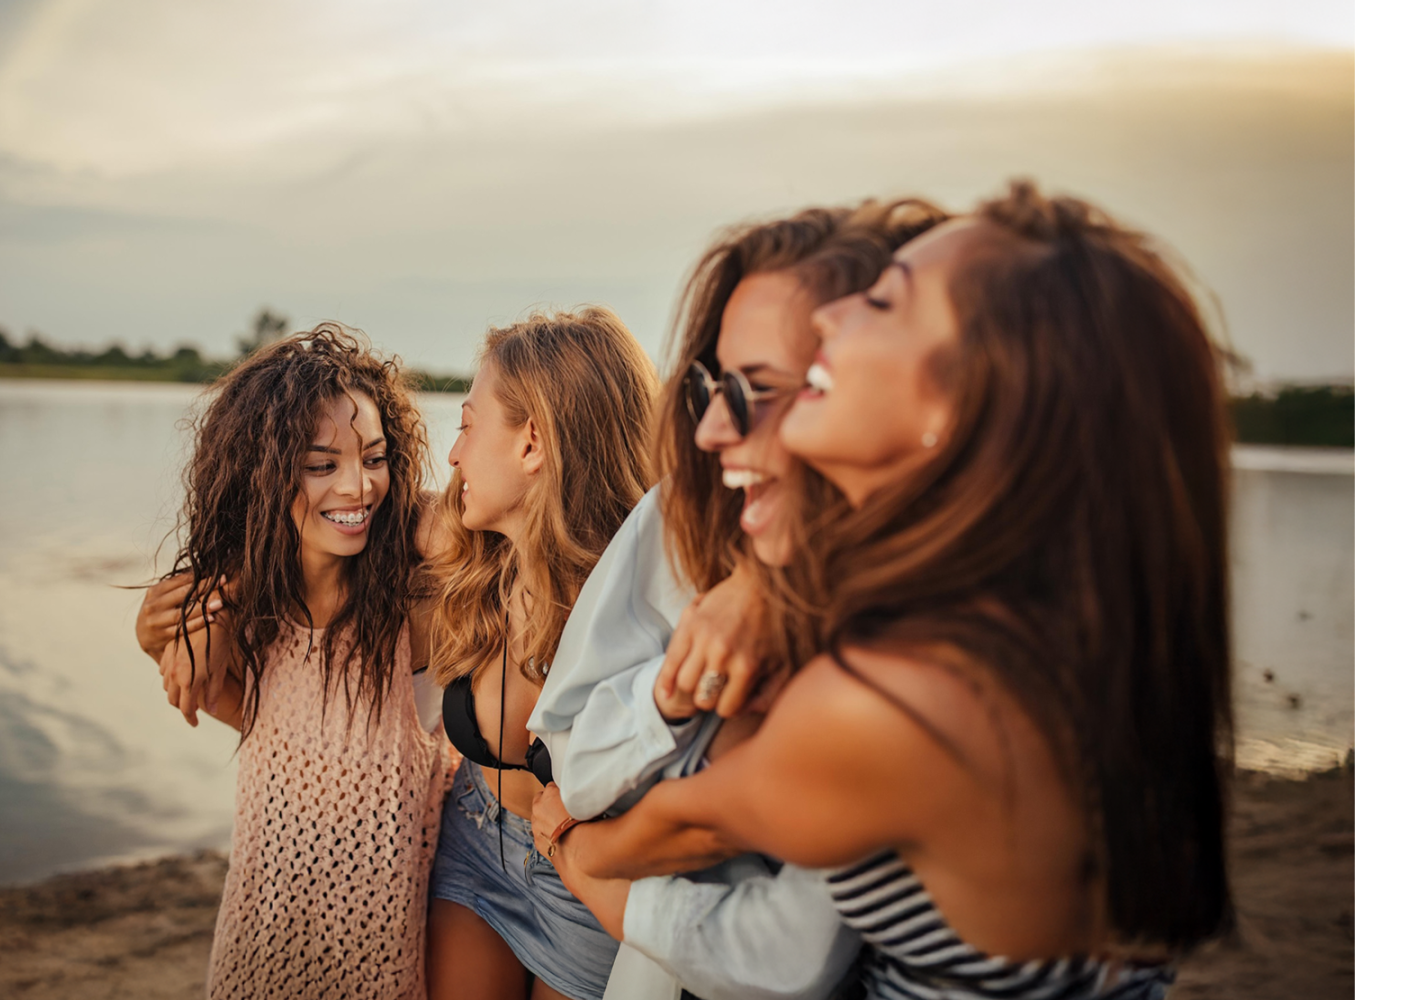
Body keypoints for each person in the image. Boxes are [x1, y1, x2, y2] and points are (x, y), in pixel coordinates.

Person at [546, 181, 1233, 999]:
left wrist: (569, 848)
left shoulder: (899, 695)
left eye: (883, 302)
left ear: (966, 398)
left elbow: (670, 829)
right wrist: (764, 582)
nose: (835, 319)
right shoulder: (1052, 627)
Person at [524, 201, 945, 1000]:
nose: (714, 427)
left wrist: (588, 856)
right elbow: (566, 756)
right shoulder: (689, 516)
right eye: (715, 383)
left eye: (762, 387)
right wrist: (673, 694)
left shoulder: (918, 651)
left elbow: (782, 953)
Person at [137, 325, 454, 1000]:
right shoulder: (245, 608)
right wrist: (156, 637)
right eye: (322, 465)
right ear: (264, 474)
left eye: (374, 457)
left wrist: (420, 515)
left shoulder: (417, 609)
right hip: (255, 956)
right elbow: (251, 721)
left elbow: (483, 542)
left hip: (375, 971)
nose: (358, 487)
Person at [426, 307, 660, 1000]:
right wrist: (190, 596)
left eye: (468, 426)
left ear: (532, 444)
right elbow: (317, 523)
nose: (454, 454)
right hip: (473, 844)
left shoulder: (648, 614)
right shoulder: (471, 550)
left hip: (590, 888)